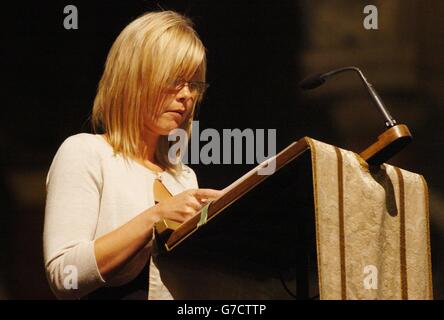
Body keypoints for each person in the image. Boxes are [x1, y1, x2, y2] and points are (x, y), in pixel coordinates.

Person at [43, 10, 222, 300]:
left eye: (194, 84)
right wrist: (154, 218)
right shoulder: (86, 152)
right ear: (134, 78)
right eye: (176, 79)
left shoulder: (184, 178)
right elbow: (65, 277)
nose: (187, 95)